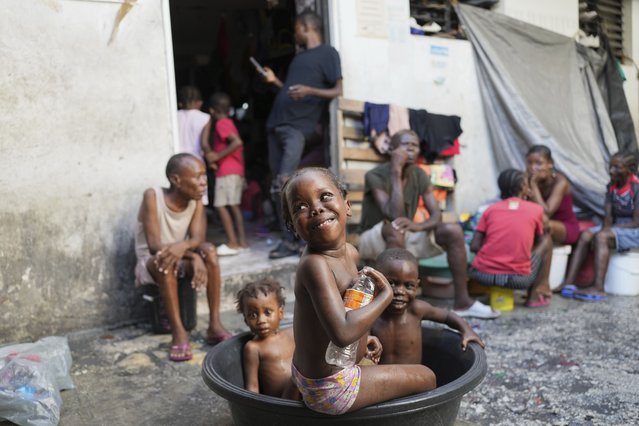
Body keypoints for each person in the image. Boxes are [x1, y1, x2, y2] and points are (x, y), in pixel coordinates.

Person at [281, 167, 435, 415]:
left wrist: (364, 340)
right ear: (293, 226)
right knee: (426, 376)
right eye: (300, 207)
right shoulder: (315, 264)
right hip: (330, 388)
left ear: (348, 206)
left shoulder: (351, 253)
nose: (316, 208)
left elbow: (349, 307)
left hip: (323, 371)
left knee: (385, 367)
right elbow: (342, 331)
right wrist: (384, 297)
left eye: (325, 197)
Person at [358, 129, 500, 319]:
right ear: (391, 149)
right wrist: (395, 171)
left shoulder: (419, 174)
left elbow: (436, 215)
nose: (410, 148)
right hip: (374, 238)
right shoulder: (375, 175)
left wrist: (419, 226)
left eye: (415, 145)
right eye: (405, 144)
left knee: (452, 230)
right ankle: (392, 307)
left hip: (405, 233)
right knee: (395, 228)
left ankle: (463, 302)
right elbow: (393, 214)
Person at [259, 10, 343, 259]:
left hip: (297, 128)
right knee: (277, 184)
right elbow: (289, 91)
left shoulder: (328, 53)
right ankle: (290, 238)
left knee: (286, 181)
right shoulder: (299, 58)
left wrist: (310, 90)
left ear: (306, 27)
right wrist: (275, 82)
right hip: (276, 125)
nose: (294, 33)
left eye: (296, 28)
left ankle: (296, 241)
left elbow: (339, 89)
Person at [134, 153, 232, 362]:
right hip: (152, 261)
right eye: (198, 176)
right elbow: (153, 246)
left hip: (181, 256)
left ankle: (214, 324)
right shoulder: (152, 196)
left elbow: (197, 238)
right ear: (176, 180)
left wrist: (192, 254)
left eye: (205, 176)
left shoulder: (195, 200)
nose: (204, 182)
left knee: (209, 252)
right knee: (165, 262)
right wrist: (191, 255)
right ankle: (178, 333)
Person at [371, 248, 484, 365]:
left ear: (417, 286)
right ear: (375, 282)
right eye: (391, 283)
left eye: (409, 286)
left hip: (413, 379)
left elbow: (447, 316)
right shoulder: (370, 313)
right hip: (379, 379)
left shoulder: (416, 310)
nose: (400, 291)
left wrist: (467, 331)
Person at [468, 169, 553, 307]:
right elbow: (541, 236)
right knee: (546, 240)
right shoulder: (535, 210)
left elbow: (474, 246)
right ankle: (534, 297)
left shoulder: (490, 210)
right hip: (519, 280)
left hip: (483, 276)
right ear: (523, 188)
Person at [561, 152, 639, 301]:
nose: (611, 171)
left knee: (602, 236)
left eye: (617, 167)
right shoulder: (611, 186)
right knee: (586, 235)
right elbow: (608, 216)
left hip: (634, 228)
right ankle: (569, 283)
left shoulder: (636, 188)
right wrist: (607, 228)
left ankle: (599, 288)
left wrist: (607, 231)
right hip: (617, 226)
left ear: (630, 169)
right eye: (611, 166)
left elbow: (637, 222)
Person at [201, 92, 247, 256]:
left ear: (212, 111)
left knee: (221, 206)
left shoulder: (221, 123)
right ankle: (241, 242)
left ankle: (233, 242)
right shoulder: (229, 122)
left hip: (227, 171)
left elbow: (237, 142)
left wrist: (216, 156)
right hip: (235, 169)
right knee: (234, 206)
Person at [235, 278, 297, 399]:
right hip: (281, 402)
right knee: (295, 380)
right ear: (245, 320)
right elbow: (252, 386)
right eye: (252, 315)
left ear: (281, 313)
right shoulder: (253, 347)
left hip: (303, 394)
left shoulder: (291, 333)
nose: (261, 321)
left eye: (267, 312)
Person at [525, 145, 580, 245]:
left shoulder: (560, 182)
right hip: (539, 224)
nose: (533, 168)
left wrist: (533, 185)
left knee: (542, 225)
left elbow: (547, 212)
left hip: (564, 227)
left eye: (539, 163)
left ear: (550, 164)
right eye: (529, 163)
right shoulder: (526, 181)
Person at [176, 86, 211, 205]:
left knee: (179, 198)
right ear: (199, 103)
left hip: (177, 161)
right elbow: (205, 144)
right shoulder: (206, 118)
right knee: (199, 199)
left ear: (180, 103)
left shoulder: (174, 115)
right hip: (197, 162)